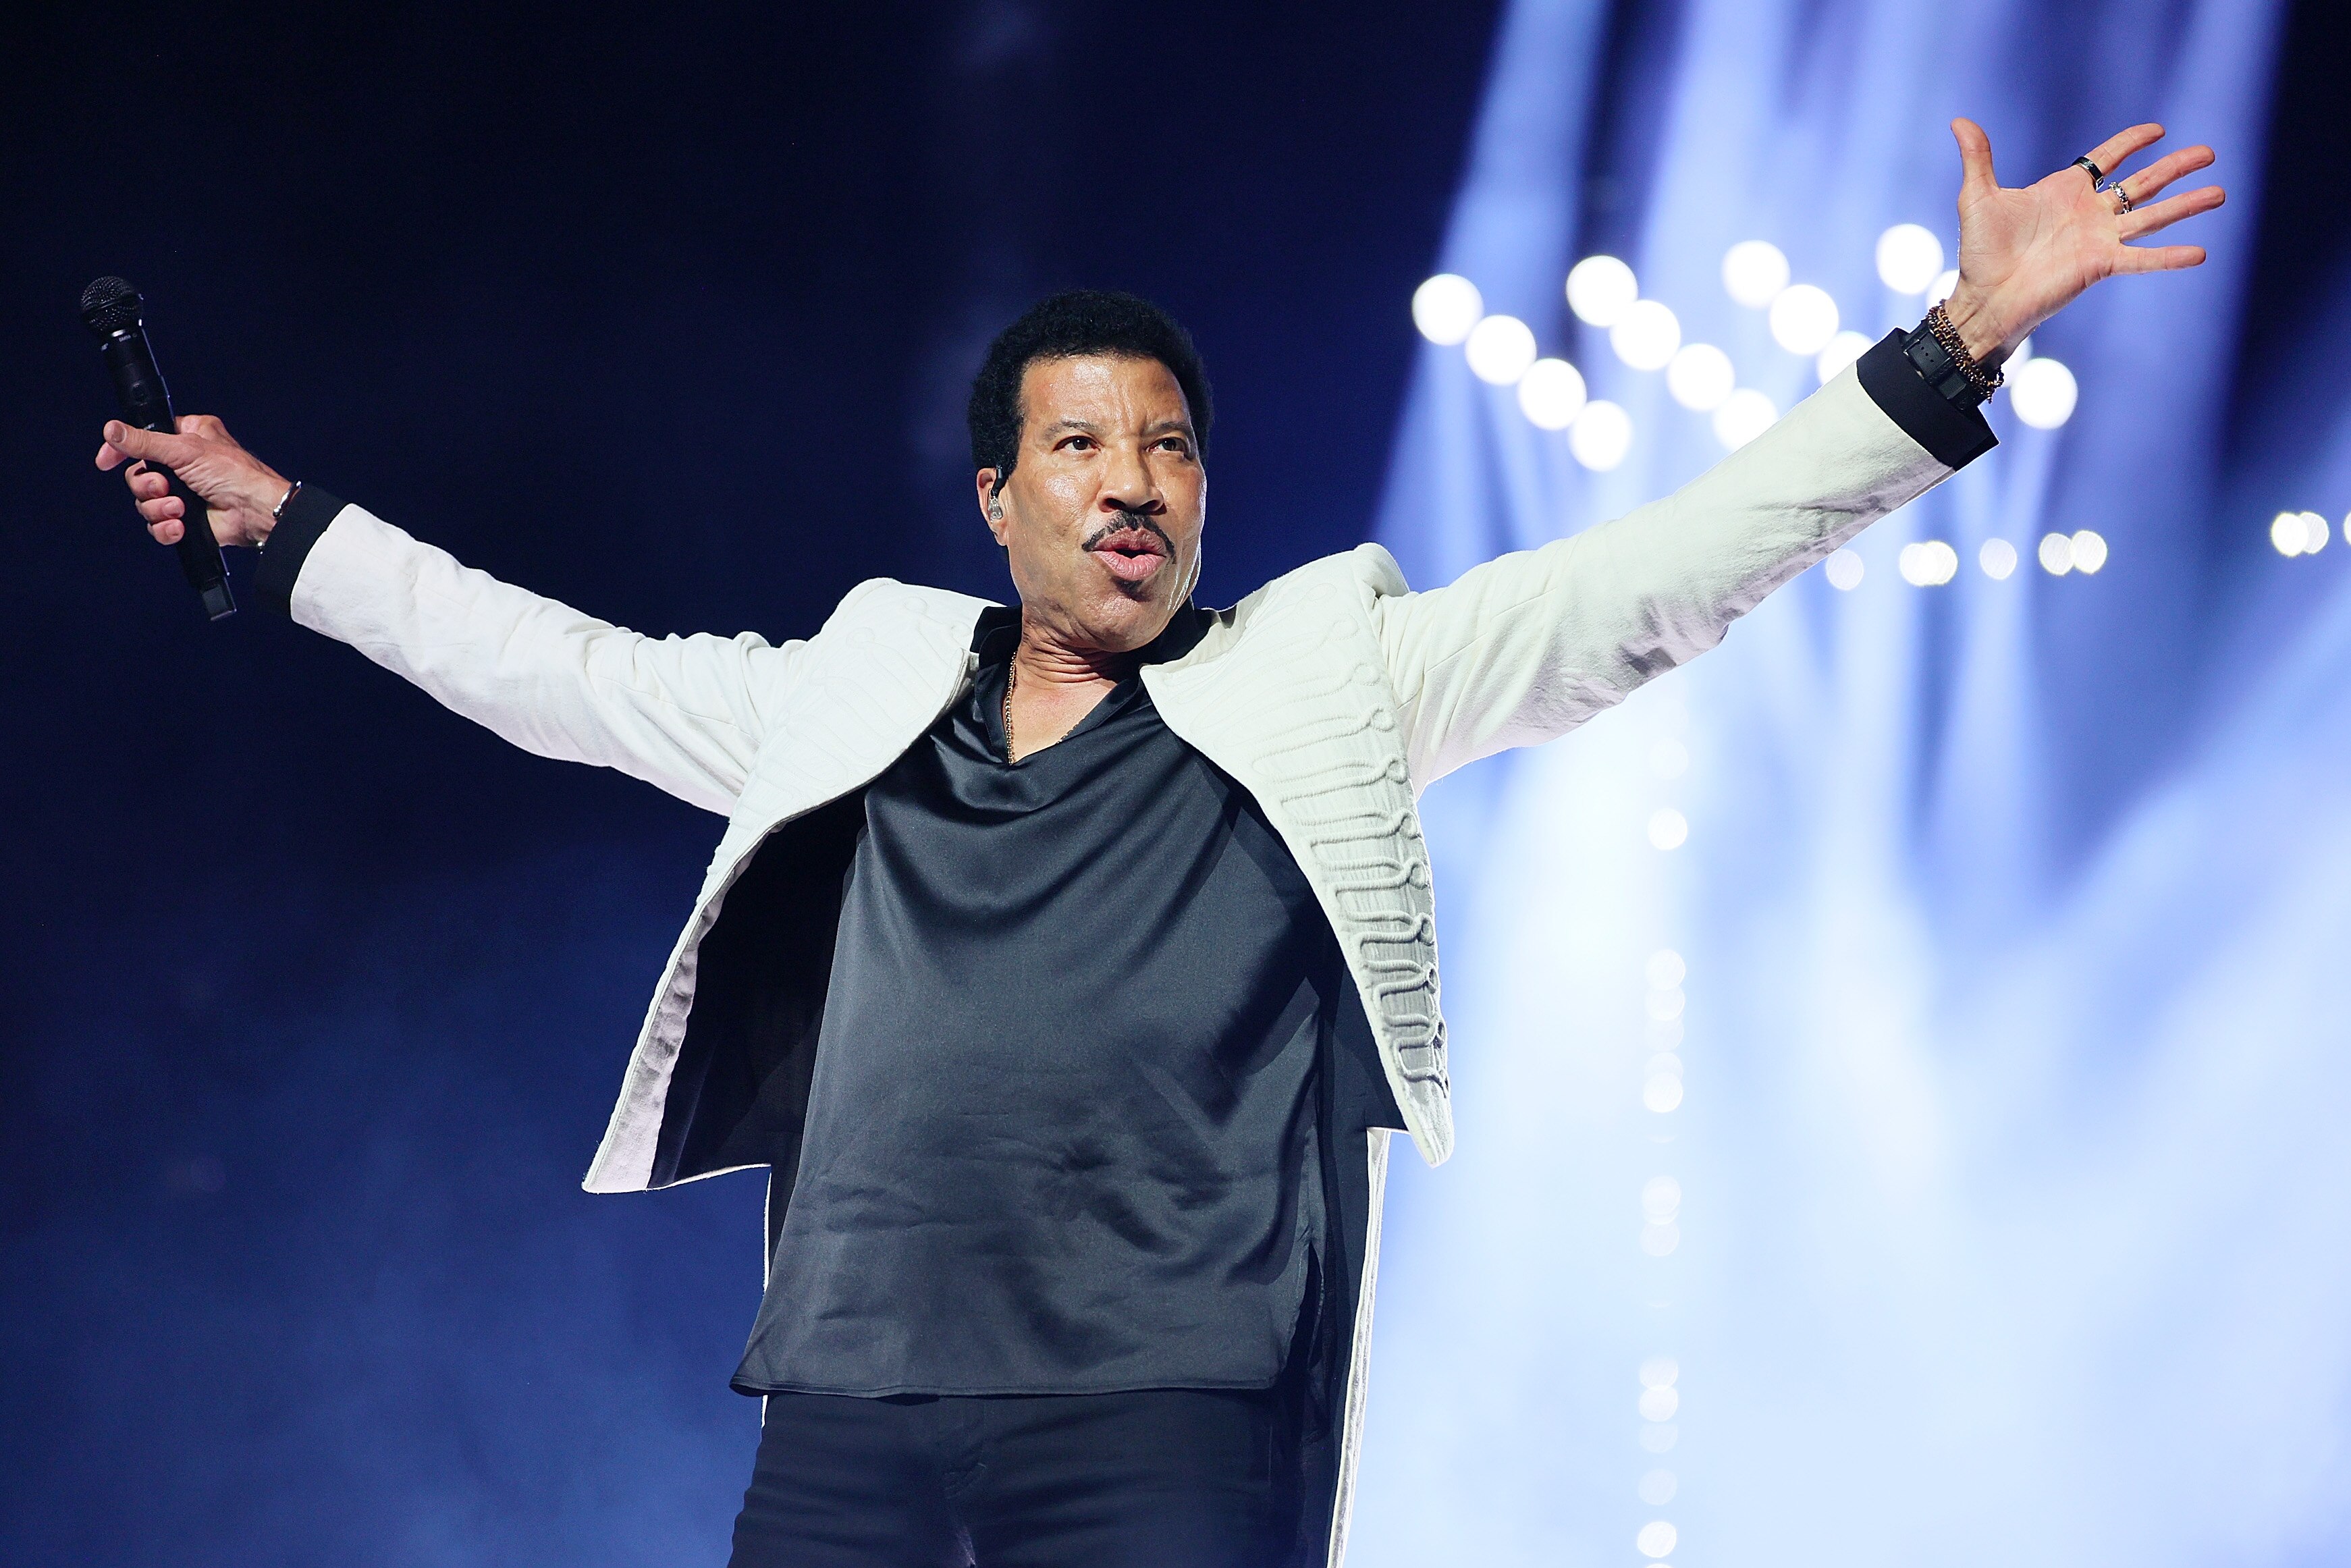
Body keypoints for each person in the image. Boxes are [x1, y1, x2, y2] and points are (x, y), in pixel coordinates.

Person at [99, 119, 2220, 1568]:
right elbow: (554, 666)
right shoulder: (854, 688)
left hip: (1160, 1418)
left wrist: (1952, 346)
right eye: (1082, 446)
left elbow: (1655, 572)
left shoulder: (1321, 676)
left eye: (1173, 446)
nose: (1135, 481)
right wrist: (292, 531)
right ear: (998, 500)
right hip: (847, 1397)